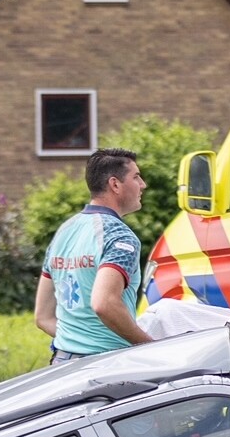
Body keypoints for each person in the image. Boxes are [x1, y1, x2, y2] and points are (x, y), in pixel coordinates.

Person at [37, 147, 153, 363]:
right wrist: (150, 346)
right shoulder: (119, 236)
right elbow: (104, 303)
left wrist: (76, 342)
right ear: (115, 184)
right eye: (136, 177)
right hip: (104, 366)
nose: (143, 184)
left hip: (61, 363)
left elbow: (42, 317)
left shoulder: (64, 231)